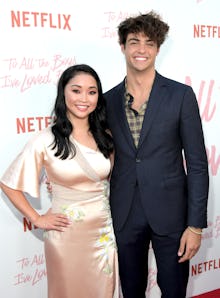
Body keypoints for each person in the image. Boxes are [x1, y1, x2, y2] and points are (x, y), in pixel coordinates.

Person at [104, 11, 209, 298]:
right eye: (134, 41)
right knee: (132, 291)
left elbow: (198, 165)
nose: (141, 49)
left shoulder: (180, 95)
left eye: (149, 43)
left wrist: (195, 225)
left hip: (172, 215)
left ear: (158, 49)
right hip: (125, 213)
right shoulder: (107, 101)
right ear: (122, 46)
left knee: (174, 291)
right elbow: (98, 153)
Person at [0, 64, 119, 298]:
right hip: (65, 236)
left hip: (103, 234)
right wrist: (36, 218)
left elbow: (111, 179)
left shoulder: (106, 137)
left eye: (92, 92)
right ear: (63, 93)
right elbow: (9, 183)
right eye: (76, 90)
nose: (84, 98)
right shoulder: (46, 140)